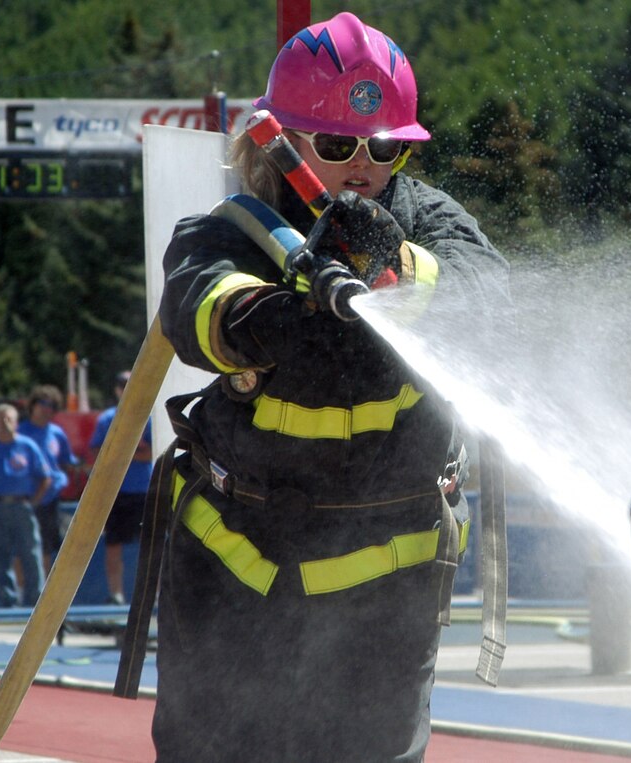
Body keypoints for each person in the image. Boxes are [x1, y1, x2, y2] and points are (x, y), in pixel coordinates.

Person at [142, 12, 511, 762]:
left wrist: (397, 269)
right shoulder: (234, 228)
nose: (362, 166)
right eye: (338, 145)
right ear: (280, 143)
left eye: (383, 148)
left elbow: (488, 296)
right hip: (232, 568)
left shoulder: (430, 222)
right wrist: (284, 311)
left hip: (387, 584)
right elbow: (198, 307)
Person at [89, 370, 152, 605]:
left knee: (151, 545)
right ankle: (116, 595)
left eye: (131, 383)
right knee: (113, 544)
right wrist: (132, 451)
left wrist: (120, 452)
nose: (127, 387)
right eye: (122, 384)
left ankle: (153, 597)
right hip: (116, 491)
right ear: (116, 390)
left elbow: (151, 454)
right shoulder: (107, 419)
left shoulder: (150, 416)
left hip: (145, 489)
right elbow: (97, 452)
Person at [0, 403, 52, 607]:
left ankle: (34, 600)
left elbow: (45, 476)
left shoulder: (27, 446)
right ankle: (8, 601)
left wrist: (35, 500)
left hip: (22, 505)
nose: (4, 424)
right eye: (0, 419)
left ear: (16, 422)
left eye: (9, 419)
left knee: (30, 553)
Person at [18, 384, 80, 574]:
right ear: (33, 406)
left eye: (52, 406)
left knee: (45, 546)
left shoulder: (56, 433)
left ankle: (41, 593)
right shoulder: (21, 432)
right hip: (25, 498)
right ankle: (20, 596)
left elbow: (67, 461)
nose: (47, 410)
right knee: (22, 547)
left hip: (50, 499)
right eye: (43, 404)